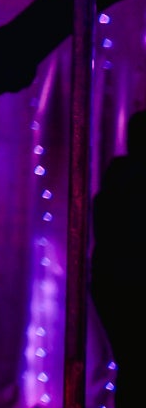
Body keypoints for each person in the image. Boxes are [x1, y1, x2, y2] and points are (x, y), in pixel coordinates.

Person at [92, 110, 146, 405]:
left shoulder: (116, 182)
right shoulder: (133, 185)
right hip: (130, 283)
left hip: (113, 282)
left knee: (133, 367)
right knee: (137, 368)